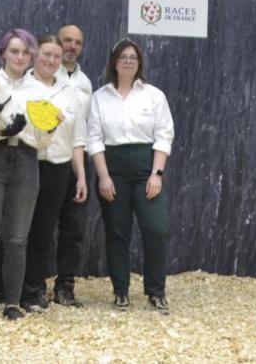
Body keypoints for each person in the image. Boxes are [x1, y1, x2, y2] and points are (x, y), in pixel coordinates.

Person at [0, 28, 52, 321]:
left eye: (26, 52)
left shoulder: (40, 91)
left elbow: (42, 141)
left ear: (32, 57)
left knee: (17, 237)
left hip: (26, 160)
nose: (20, 56)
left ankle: (13, 304)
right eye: (14, 51)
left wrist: (50, 128)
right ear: (3, 53)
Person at [87, 38, 173, 313]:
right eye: (123, 56)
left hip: (146, 169)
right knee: (117, 233)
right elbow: (94, 139)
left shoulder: (154, 95)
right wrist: (103, 177)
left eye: (133, 57)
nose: (128, 61)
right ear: (114, 61)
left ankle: (156, 291)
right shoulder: (100, 97)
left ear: (139, 63)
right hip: (112, 170)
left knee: (155, 230)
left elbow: (163, 136)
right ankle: (120, 290)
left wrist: (156, 174)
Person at [19, 35, 89, 313]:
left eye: (56, 57)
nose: (51, 60)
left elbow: (78, 139)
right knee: (18, 231)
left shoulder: (70, 93)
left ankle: (34, 291)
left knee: (44, 232)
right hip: (27, 163)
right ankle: (9, 289)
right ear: (35, 55)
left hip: (58, 169)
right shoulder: (22, 86)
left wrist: (81, 176)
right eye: (46, 54)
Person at [49, 24, 93, 307]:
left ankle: (65, 287)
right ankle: (33, 286)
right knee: (39, 227)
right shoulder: (40, 76)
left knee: (73, 229)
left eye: (77, 42)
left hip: (76, 161)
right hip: (46, 161)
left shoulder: (86, 83)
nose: (71, 46)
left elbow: (83, 128)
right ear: (57, 41)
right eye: (67, 40)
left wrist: (82, 174)